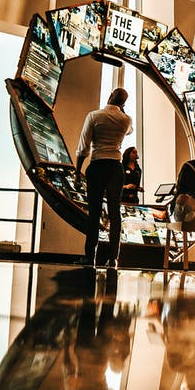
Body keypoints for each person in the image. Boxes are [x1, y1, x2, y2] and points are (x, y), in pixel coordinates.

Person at [74, 87, 133, 266]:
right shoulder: (126, 120)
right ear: (123, 104)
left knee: (94, 212)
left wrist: (78, 172)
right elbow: (130, 131)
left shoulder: (94, 116)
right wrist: (122, 110)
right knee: (115, 214)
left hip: (98, 165)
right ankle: (113, 258)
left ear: (109, 97)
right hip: (116, 168)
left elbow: (83, 147)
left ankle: (89, 256)